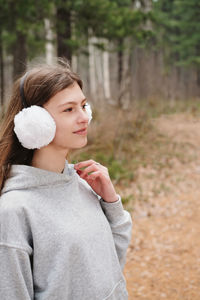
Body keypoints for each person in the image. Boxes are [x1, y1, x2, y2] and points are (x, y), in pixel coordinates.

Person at [0, 58, 133, 300]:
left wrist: (111, 202)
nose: (84, 117)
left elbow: (110, 265)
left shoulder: (83, 184)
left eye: (84, 106)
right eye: (69, 109)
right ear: (34, 123)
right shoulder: (13, 211)